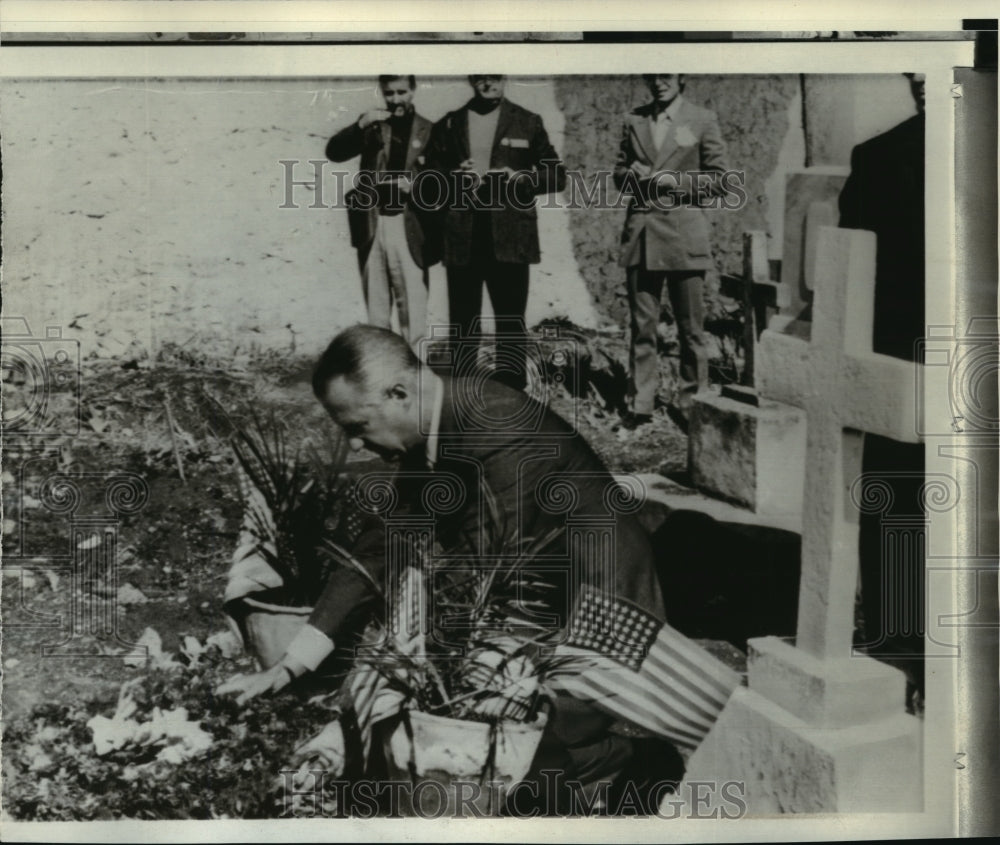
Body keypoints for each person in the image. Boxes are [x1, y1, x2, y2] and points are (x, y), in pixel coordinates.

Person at [219, 324, 739, 813]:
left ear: (399, 394)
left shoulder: (496, 424)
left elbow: (488, 566)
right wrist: (291, 665)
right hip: (528, 591)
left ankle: (629, 764)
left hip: (594, 593)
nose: (354, 445)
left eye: (357, 426)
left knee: (511, 747)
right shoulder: (427, 427)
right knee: (466, 735)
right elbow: (378, 550)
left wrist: (430, 672)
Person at [839, 73, 926, 709]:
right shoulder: (875, 159)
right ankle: (901, 653)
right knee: (898, 503)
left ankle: (907, 652)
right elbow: (845, 280)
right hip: (899, 375)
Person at [422, 75, 565, 390]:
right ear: (471, 80)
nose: (488, 83)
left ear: (505, 78)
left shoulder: (527, 121)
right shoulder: (450, 124)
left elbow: (556, 175)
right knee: (463, 322)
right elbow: (427, 177)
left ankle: (511, 391)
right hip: (464, 236)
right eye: (481, 77)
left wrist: (520, 178)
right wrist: (454, 176)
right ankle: (461, 393)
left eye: (495, 76)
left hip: (511, 237)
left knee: (511, 321)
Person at [613, 74, 729, 431]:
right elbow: (619, 173)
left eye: (666, 76)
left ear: (681, 78)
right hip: (643, 234)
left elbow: (719, 179)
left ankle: (692, 403)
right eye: (652, 77)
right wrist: (629, 174)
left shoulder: (702, 119)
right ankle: (641, 403)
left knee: (691, 328)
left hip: (683, 235)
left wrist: (667, 181)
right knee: (642, 326)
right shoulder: (634, 120)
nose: (659, 83)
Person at [326, 75, 439, 350]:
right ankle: (381, 376)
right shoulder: (373, 127)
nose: (396, 99)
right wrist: (360, 124)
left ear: (414, 90)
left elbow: (442, 182)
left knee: (413, 309)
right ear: (382, 92)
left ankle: (415, 376)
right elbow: (334, 152)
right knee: (376, 312)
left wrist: (415, 186)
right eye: (390, 93)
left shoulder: (430, 130)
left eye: (402, 92)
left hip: (409, 225)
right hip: (372, 224)